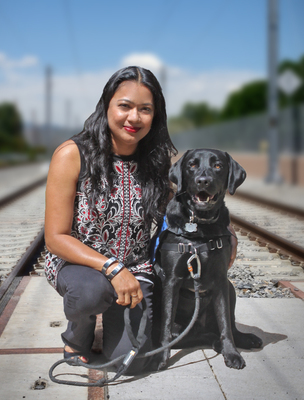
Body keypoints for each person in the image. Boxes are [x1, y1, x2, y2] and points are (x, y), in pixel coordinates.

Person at [44, 66, 237, 374]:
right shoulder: (72, 154)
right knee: (91, 293)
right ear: (106, 105)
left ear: (155, 116)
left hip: (136, 271)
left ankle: (113, 319)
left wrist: (226, 232)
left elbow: (184, 206)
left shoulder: (156, 161)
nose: (134, 118)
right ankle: (77, 336)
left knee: (132, 363)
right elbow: (55, 237)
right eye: (125, 106)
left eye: (145, 109)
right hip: (80, 265)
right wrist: (112, 267)